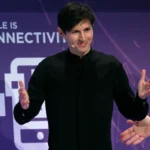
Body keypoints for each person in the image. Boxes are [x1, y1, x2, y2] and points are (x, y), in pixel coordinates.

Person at [13, 1, 150, 150]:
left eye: (87, 29)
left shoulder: (110, 66)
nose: (83, 38)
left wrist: (141, 99)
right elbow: (23, 117)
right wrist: (24, 107)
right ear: (61, 33)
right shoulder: (48, 68)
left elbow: (131, 111)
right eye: (75, 32)